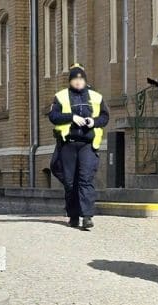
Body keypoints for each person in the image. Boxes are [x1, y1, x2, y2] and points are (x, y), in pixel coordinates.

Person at [48, 64, 110, 230]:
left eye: (81, 79)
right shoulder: (61, 96)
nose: (78, 81)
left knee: (86, 179)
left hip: (87, 144)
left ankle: (87, 216)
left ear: (85, 80)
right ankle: (73, 215)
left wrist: (93, 122)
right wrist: (72, 117)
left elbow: (105, 117)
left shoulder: (96, 97)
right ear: (70, 81)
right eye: (75, 79)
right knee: (70, 182)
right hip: (68, 144)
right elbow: (53, 116)